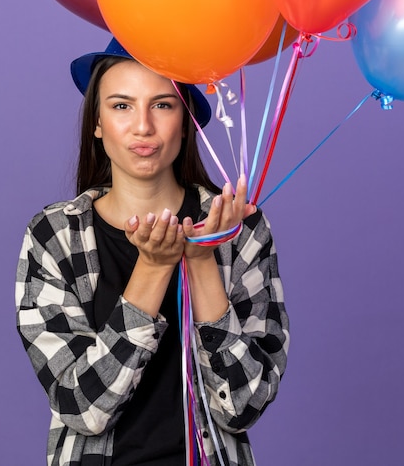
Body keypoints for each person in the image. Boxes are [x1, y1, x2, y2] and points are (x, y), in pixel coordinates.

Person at [15, 38, 289, 466]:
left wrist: (200, 261)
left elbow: (243, 405)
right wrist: (154, 266)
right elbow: (83, 409)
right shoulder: (54, 235)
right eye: (122, 106)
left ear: (185, 122)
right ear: (98, 122)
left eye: (162, 105)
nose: (142, 126)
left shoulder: (240, 228)